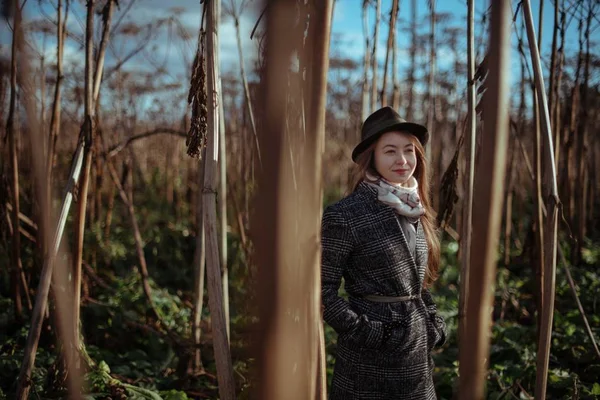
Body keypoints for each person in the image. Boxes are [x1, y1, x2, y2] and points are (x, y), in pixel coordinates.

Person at [321, 106, 447, 399]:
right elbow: (322, 291)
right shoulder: (346, 214)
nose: (403, 160)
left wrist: (433, 324)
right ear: (372, 158)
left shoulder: (417, 208)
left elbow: (417, 284)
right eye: (390, 151)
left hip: (417, 359)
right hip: (367, 365)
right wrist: (371, 333)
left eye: (409, 150)